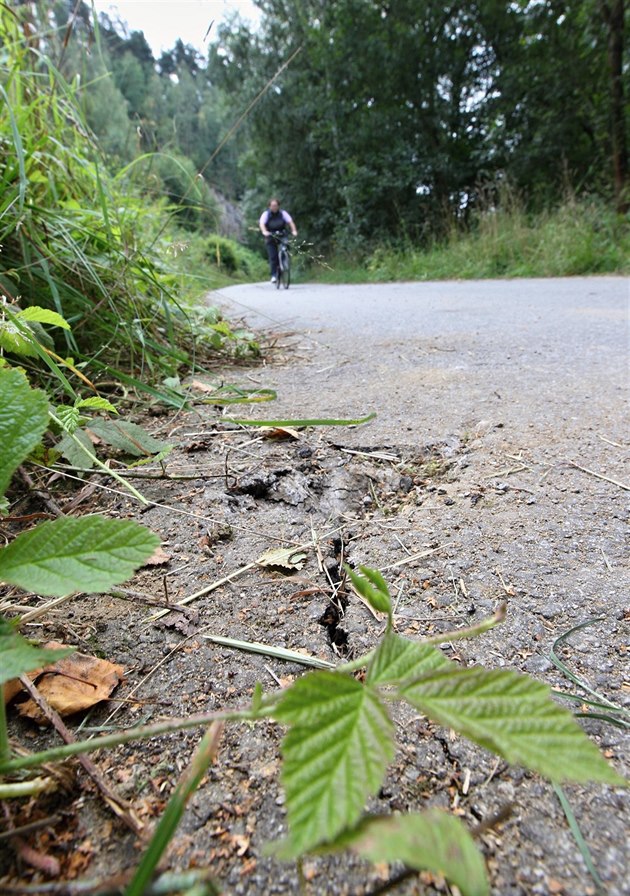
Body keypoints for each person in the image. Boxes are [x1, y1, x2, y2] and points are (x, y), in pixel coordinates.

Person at [259, 198, 298, 283]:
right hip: (270, 235)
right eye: (272, 205)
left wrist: (294, 231)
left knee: (286, 245)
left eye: (276, 205)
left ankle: (285, 261)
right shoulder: (266, 214)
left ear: (278, 206)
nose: (274, 207)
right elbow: (262, 224)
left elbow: (291, 222)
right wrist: (264, 231)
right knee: (273, 257)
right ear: (269, 206)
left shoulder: (283, 213)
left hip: (282, 234)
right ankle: (274, 275)